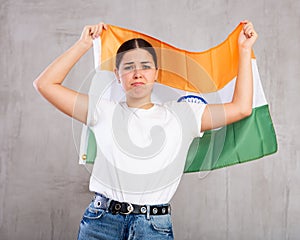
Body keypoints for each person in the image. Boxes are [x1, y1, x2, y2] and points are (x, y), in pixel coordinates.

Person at [33, 21, 257, 240]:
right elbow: (45, 84)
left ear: (156, 73)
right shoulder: (102, 110)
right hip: (101, 224)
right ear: (117, 75)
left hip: (153, 229)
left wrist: (244, 51)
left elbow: (241, 108)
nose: (137, 74)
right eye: (128, 67)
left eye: (145, 66)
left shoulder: (184, 114)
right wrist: (83, 44)